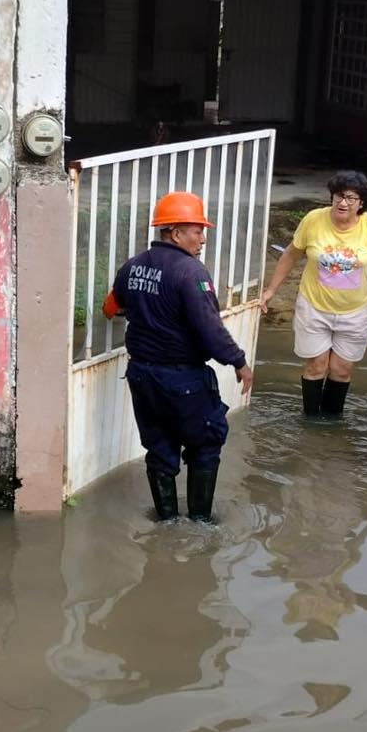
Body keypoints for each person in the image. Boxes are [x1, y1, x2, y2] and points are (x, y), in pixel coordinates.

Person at [102, 192, 254, 523]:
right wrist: (239, 361)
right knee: (205, 446)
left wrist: (146, 308)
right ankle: (200, 525)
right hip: (183, 378)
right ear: (174, 232)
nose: (203, 238)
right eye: (197, 230)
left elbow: (111, 307)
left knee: (159, 449)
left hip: (142, 376)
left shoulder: (133, 266)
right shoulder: (191, 272)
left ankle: (166, 524)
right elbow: (210, 329)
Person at [260, 170, 367, 416]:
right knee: (316, 366)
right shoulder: (313, 219)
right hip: (314, 307)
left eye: (351, 198)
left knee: (342, 370)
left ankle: (332, 423)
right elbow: (290, 255)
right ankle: (310, 421)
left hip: (355, 313)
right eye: (339, 196)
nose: (343, 203)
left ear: (361, 203)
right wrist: (270, 290)